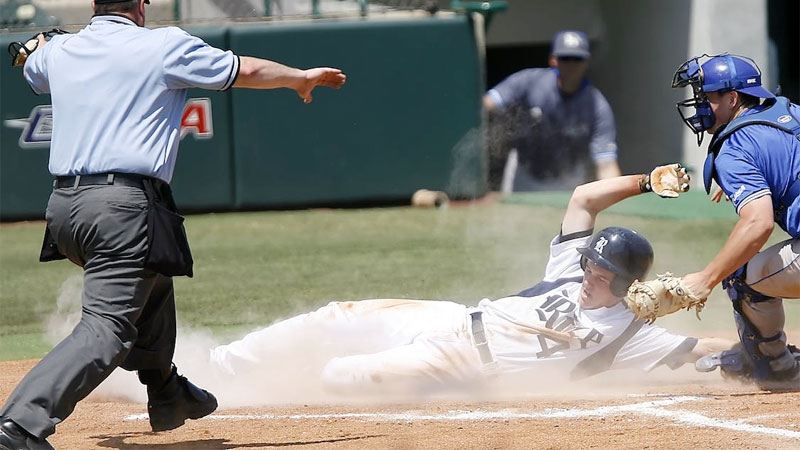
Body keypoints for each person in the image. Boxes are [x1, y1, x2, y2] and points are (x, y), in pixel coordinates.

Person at [0, 0, 346, 448]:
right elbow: (246, 71)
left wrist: (37, 48)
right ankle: (19, 424)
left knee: (153, 279)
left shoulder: (62, 51)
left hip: (65, 209)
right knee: (108, 327)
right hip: (122, 206)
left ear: (94, 5)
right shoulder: (163, 45)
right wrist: (298, 77)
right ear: (141, 5)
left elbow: (32, 65)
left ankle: (167, 392)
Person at [206, 165, 731, 397]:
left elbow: (701, 346)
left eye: (602, 274)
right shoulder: (569, 275)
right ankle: (217, 367)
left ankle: (274, 386)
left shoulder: (631, 336)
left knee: (340, 377)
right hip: (453, 318)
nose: (588, 277)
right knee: (332, 318)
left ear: (626, 283)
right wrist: (646, 181)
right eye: (589, 266)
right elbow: (583, 198)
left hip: (464, 364)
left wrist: (761, 344)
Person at [670, 53, 799, 390]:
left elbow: (758, 224)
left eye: (707, 97)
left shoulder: (735, 148)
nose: (699, 105)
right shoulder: (792, 113)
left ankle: (774, 364)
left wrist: (707, 278)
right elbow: (781, 161)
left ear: (732, 98)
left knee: (739, 274)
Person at [484, 30, 621, 193]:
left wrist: (617, 201)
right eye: (565, 58)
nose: (571, 64)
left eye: (577, 59)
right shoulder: (529, 81)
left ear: (587, 62)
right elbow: (488, 103)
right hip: (524, 175)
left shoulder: (597, 106)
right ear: (553, 60)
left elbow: (606, 163)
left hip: (567, 181)